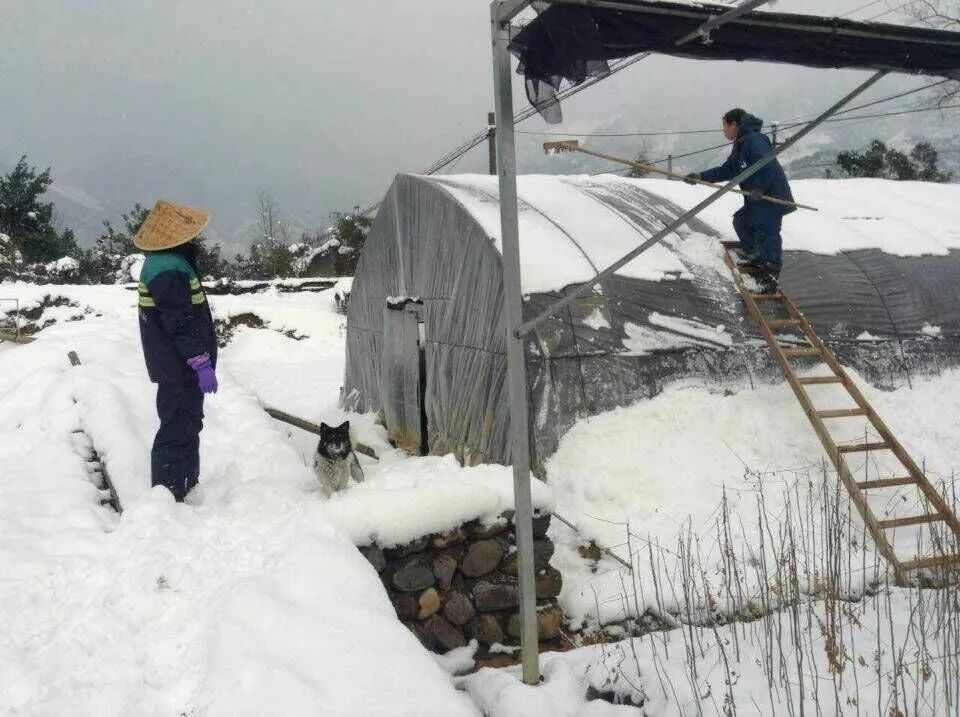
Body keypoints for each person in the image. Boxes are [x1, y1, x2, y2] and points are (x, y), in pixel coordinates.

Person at [133, 200, 218, 502]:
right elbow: (179, 322)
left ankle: (185, 482)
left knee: (187, 422)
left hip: (177, 365)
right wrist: (200, 362)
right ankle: (168, 492)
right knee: (177, 425)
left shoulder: (167, 262)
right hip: (178, 366)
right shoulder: (168, 269)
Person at [686, 108, 795, 294]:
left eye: (724, 126)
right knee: (742, 221)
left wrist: (760, 187)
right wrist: (700, 177)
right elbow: (727, 170)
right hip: (756, 198)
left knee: (768, 233)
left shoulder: (755, 140)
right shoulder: (741, 144)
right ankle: (757, 256)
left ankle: (769, 278)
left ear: (734, 124)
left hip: (770, 196)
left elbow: (766, 164)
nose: (723, 131)